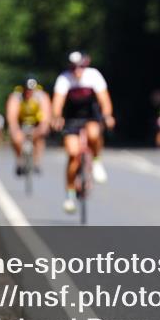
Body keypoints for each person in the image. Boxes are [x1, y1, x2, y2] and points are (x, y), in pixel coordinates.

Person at [52, 51, 116, 213]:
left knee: (94, 134)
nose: (77, 71)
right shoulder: (64, 78)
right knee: (73, 154)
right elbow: (58, 103)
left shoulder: (93, 76)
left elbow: (104, 99)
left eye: (80, 67)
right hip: (72, 117)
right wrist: (57, 117)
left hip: (91, 115)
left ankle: (96, 161)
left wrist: (107, 115)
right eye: (73, 68)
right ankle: (70, 195)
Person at [5, 77, 52, 175]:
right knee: (16, 139)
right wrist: (15, 130)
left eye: (31, 90)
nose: (29, 93)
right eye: (27, 90)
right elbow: (12, 116)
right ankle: (19, 160)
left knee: (40, 137)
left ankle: (37, 162)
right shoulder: (16, 96)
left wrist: (41, 128)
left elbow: (46, 115)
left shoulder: (41, 96)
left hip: (36, 122)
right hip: (21, 122)